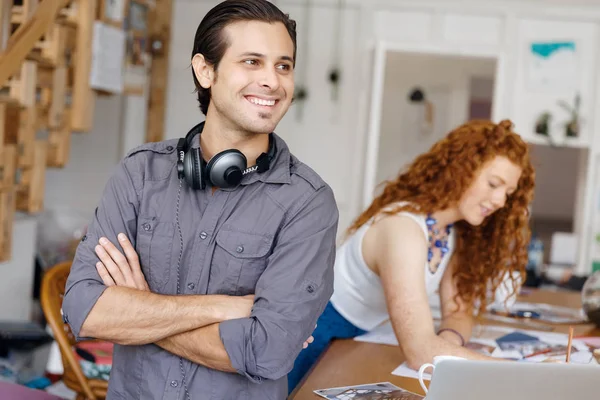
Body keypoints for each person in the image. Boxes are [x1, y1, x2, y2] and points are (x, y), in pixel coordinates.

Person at [61, 1, 338, 399]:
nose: (273, 82)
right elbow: (85, 311)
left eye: (283, 66)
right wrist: (222, 307)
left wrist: (141, 309)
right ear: (205, 70)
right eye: (252, 62)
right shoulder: (140, 174)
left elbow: (266, 352)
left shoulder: (309, 204)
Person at [287, 119, 536, 391]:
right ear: (462, 170)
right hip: (311, 341)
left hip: (354, 341)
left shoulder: (451, 231)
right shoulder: (402, 229)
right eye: (493, 184)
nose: (500, 201)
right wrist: (520, 373)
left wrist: (446, 344)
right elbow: (419, 352)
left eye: (508, 193)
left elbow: (458, 312)